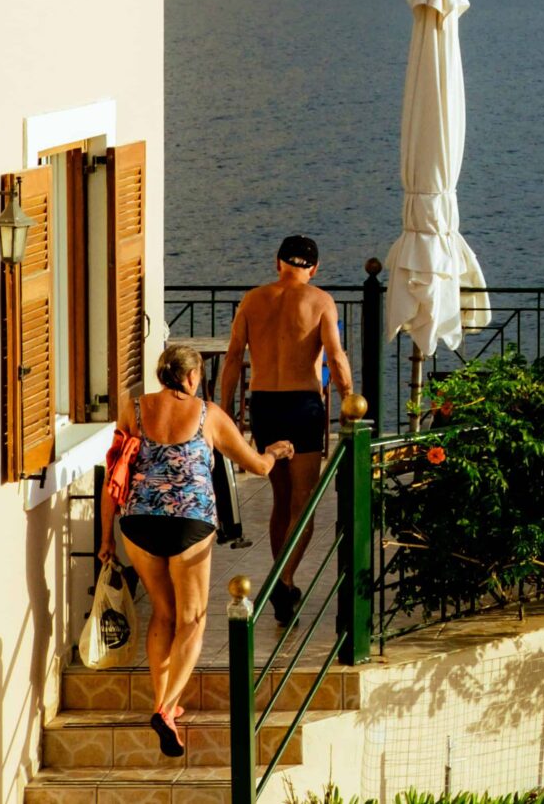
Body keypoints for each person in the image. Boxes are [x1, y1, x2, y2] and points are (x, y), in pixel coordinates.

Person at [115, 342, 291, 756]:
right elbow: (257, 465)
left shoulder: (133, 408)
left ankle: (168, 702)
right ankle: (163, 709)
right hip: (189, 524)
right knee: (192, 618)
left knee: (163, 611)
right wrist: (277, 451)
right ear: (193, 377)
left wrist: (107, 538)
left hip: (137, 521)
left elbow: (117, 468)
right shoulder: (208, 414)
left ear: (162, 373)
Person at [222, 235, 356, 626]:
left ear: (276, 262)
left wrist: (226, 410)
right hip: (302, 406)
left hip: (264, 403)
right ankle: (285, 580)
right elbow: (336, 355)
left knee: (281, 500)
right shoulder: (320, 302)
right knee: (305, 500)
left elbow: (233, 359)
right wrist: (349, 399)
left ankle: (284, 577)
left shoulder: (252, 300)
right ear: (314, 268)